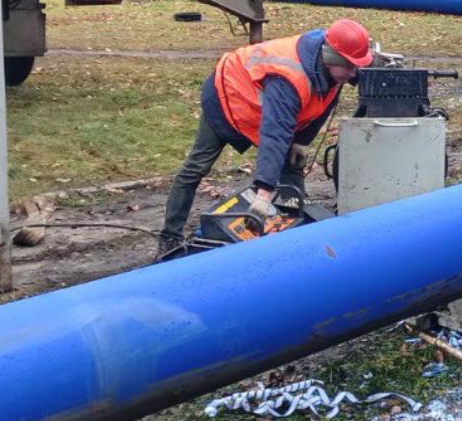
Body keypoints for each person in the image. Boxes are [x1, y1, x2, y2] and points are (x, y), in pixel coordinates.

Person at [158, 19, 375, 255]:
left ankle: (293, 233)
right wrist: (263, 195)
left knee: (292, 165)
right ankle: (170, 238)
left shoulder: (333, 68)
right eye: (350, 67)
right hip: (229, 95)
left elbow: (323, 105)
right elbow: (275, 135)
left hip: (270, 109)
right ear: (332, 58)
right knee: (197, 167)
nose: (354, 74)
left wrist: (302, 142)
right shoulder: (289, 78)